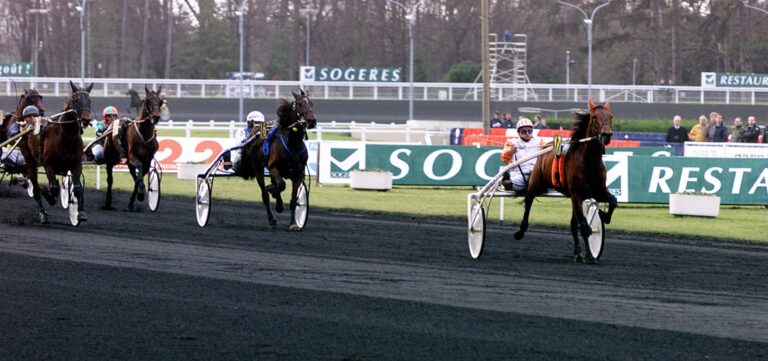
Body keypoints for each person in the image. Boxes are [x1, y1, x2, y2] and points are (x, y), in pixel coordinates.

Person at [499, 117, 543, 192]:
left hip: (536, 174)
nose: (527, 134)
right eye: (523, 132)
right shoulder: (511, 143)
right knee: (511, 184)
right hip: (519, 175)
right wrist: (511, 151)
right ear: (518, 132)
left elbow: (550, 151)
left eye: (529, 131)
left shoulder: (539, 142)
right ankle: (507, 183)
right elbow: (504, 159)